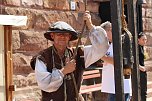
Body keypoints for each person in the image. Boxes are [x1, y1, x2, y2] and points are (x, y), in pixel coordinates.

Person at [30, 11, 109, 101]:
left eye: (66, 35)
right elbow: (45, 84)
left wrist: (90, 26)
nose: (62, 37)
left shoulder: (79, 54)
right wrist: (64, 71)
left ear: (69, 37)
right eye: (59, 34)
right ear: (52, 36)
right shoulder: (42, 58)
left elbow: (102, 47)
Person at [100, 21, 132, 101]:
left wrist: (101, 56)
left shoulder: (120, 43)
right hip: (113, 86)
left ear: (110, 30)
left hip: (119, 87)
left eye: (104, 33)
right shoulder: (111, 44)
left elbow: (117, 62)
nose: (104, 36)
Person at [138, 32, 152, 101]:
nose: (145, 41)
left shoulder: (142, 47)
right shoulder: (136, 48)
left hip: (143, 71)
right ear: (138, 40)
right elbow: (132, 60)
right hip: (139, 72)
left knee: (144, 91)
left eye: (146, 39)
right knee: (142, 91)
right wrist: (140, 67)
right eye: (143, 39)